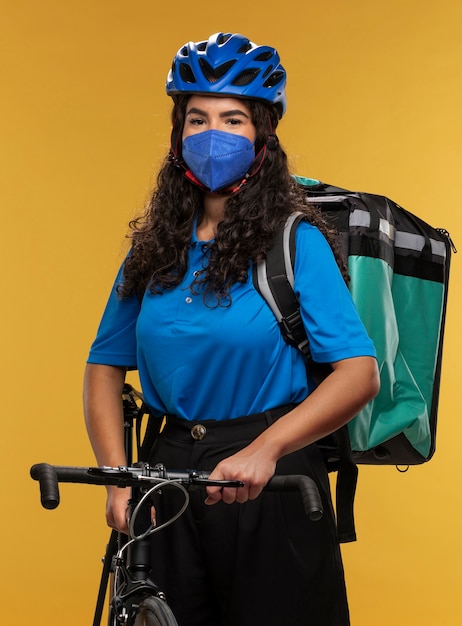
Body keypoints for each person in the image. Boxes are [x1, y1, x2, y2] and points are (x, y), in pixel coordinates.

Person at [84, 32, 380, 626]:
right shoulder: (154, 250)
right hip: (165, 473)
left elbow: (359, 374)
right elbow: (103, 366)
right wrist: (119, 480)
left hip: (269, 471)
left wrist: (265, 450)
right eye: (196, 119)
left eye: (232, 119)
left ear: (262, 138)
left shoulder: (295, 242)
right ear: (177, 134)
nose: (211, 134)